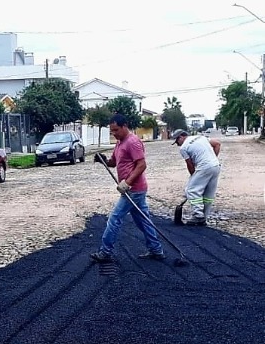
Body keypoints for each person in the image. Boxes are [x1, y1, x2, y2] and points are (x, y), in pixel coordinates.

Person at [91, 113, 165, 263]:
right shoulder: (119, 143)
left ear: (125, 126)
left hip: (134, 190)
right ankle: (156, 250)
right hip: (133, 189)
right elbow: (114, 162)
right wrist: (103, 160)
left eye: (116, 130)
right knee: (143, 221)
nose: (114, 133)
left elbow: (142, 165)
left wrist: (128, 183)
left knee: (114, 218)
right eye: (112, 131)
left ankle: (105, 252)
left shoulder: (132, 142)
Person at [171, 128, 221, 225]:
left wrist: (193, 176)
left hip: (204, 167)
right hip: (215, 166)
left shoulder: (184, 148)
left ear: (181, 137)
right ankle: (204, 217)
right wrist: (212, 159)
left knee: (191, 190)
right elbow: (217, 144)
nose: (177, 144)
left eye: (177, 141)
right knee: (208, 194)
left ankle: (198, 216)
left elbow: (189, 164)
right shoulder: (201, 137)